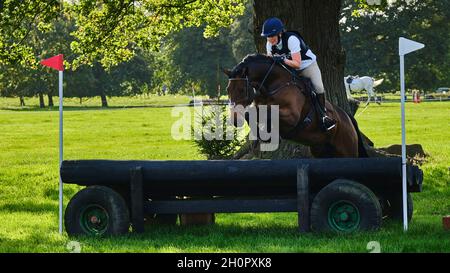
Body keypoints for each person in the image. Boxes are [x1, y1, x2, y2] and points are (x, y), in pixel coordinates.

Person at [261, 17, 336, 131]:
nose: (270, 39)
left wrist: (282, 59)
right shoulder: (269, 44)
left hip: (306, 65)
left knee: (318, 87)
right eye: (268, 36)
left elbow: (297, 63)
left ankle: (323, 116)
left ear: (280, 33)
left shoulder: (291, 39)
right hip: (288, 68)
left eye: (272, 36)